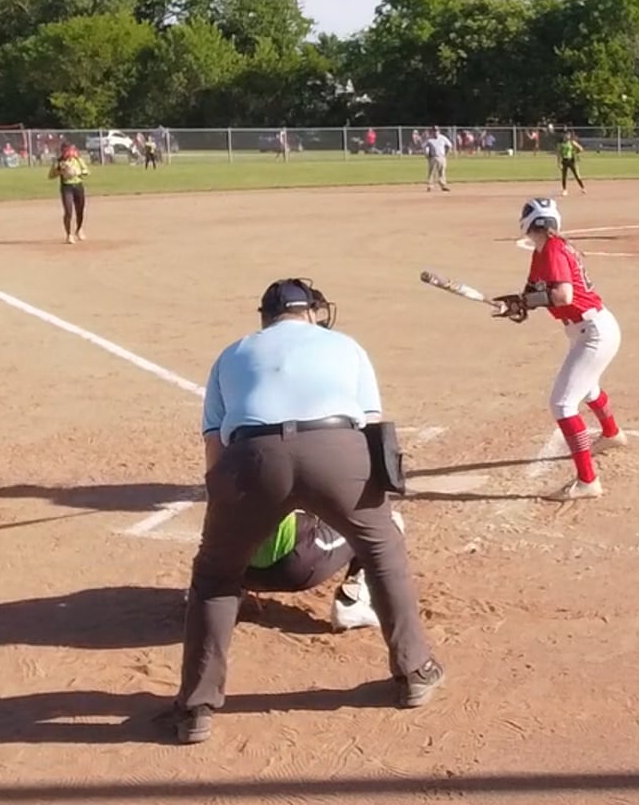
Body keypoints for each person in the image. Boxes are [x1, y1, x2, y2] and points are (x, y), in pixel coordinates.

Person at [175, 278, 442, 745]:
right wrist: (368, 500)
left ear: (266, 317)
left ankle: (196, 708)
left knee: (215, 577)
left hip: (252, 459)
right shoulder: (346, 346)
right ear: (312, 312)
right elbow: (373, 428)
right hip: (337, 449)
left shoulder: (232, 353)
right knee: (382, 551)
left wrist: (231, 513)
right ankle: (414, 670)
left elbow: (215, 450)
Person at [492, 199, 626, 501]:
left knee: (562, 404)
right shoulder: (544, 251)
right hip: (588, 330)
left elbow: (563, 296)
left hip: (594, 333)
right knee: (588, 388)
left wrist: (523, 302)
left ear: (528, 223)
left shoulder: (552, 249)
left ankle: (588, 481)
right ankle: (612, 434)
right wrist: (515, 304)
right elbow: (533, 294)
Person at [242, 508, 401, 631]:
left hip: (238, 573)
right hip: (292, 566)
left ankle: (233, 596)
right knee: (385, 520)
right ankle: (351, 602)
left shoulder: (230, 474)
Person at [49, 143, 90, 244]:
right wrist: (60, 172)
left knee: (80, 211)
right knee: (68, 212)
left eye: (71, 150)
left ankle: (79, 229)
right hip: (67, 187)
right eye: (67, 150)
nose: (70, 152)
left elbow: (86, 171)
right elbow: (50, 176)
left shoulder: (77, 160)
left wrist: (77, 172)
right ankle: (69, 234)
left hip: (78, 186)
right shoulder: (59, 162)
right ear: (63, 151)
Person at [423, 126, 453, 192]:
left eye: (436, 131)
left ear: (439, 131)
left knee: (442, 172)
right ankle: (430, 186)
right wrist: (426, 155)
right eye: (434, 131)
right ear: (432, 132)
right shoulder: (429, 139)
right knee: (431, 172)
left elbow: (449, 145)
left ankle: (443, 185)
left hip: (442, 157)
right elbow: (424, 147)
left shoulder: (442, 138)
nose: (435, 132)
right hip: (433, 157)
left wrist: (446, 154)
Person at [557, 131, 586, 195]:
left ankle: (583, 188)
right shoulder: (561, 144)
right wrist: (558, 163)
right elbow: (559, 154)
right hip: (564, 161)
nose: (567, 136)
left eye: (568, 135)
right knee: (564, 176)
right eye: (566, 135)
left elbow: (581, 148)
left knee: (577, 175)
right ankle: (564, 190)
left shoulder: (571, 142)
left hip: (571, 160)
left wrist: (575, 152)